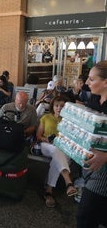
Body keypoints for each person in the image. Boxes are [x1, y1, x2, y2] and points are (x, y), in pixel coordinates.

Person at [0, 91, 38, 184]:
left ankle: (11, 171)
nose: (21, 105)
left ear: (27, 101)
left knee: (16, 150)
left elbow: (33, 127)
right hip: (4, 134)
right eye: (19, 102)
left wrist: (23, 132)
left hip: (21, 136)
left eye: (24, 103)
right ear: (15, 100)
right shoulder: (6, 107)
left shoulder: (32, 110)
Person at [77, 61, 107, 228]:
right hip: (90, 165)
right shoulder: (94, 100)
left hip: (103, 172)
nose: (87, 83)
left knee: (85, 216)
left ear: (105, 82)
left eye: (91, 79)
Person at [36, 95, 76, 207]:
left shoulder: (69, 121)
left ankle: (48, 191)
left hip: (62, 149)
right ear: (52, 106)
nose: (59, 108)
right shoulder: (46, 118)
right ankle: (68, 182)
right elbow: (38, 136)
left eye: (62, 106)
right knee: (55, 150)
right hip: (46, 145)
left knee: (57, 156)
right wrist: (48, 139)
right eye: (56, 105)